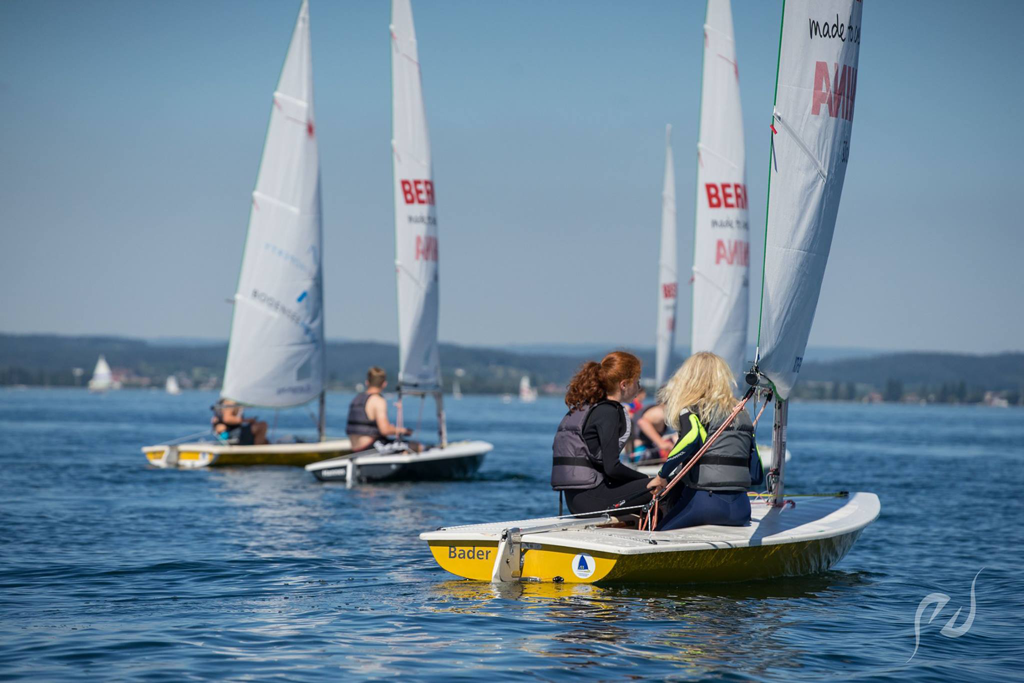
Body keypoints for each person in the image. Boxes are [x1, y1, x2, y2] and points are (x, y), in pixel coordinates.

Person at [647, 352, 755, 531]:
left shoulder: (693, 409)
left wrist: (661, 476)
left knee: (658, 533)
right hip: (741, 508)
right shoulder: (741, 413)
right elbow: (756, 469)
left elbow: (690, 439)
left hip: (705, 504)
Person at [551, 351, 659, 515]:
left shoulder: (591, 407)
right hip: (591, 499)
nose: (638, 387)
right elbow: (612, 468)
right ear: (624, 384)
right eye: (637, 381)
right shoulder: (609, 412)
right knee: (662, 486)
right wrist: (647, 480)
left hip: (576, 500)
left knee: (650, 484)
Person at [346, 366, 421, 453]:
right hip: (371, 447)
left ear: (367, 382)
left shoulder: (356, 399)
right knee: (415, 447)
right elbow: (384, 430)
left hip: (356, 449)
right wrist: (403, 430)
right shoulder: (378, 401)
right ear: (384, 384)